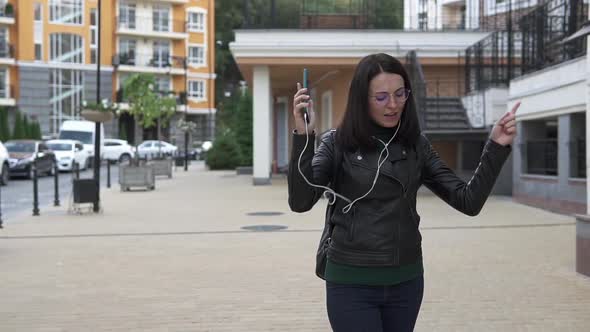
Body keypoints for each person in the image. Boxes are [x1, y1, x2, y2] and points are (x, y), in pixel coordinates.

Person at [288, 53, 519, 332]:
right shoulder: (337, 143)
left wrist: (495, 147)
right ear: (362, 99)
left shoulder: (416, 145)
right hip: (351, 281)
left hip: (406, 281)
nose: (394, 104)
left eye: (400, 94)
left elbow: (468, 201)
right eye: (382, 97)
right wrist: (304, 137)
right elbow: (301, 201)